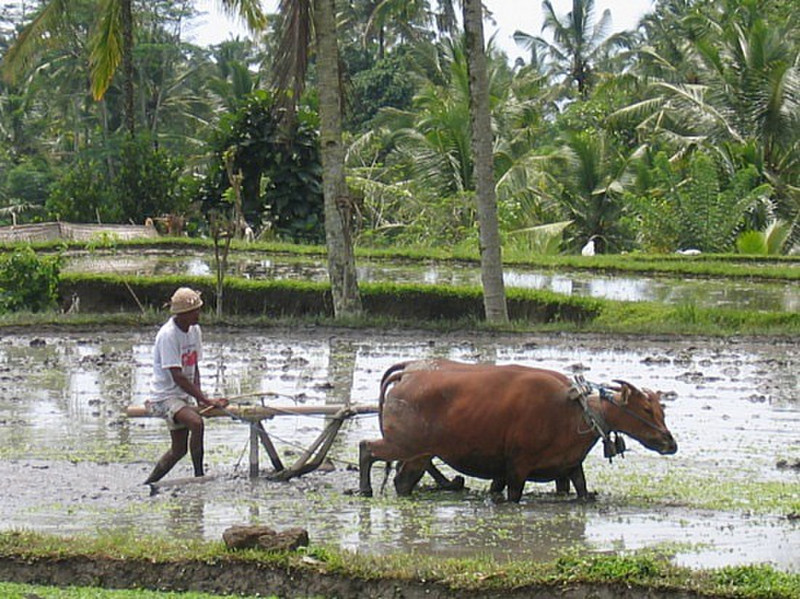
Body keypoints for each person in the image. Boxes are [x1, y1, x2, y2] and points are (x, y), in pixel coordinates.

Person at [144, 287, 228, 484]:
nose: (199, 313)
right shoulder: (168, 335)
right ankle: (199, 476)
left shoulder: (194, 331)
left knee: (179, 450)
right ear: (183, 314)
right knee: (197, 423)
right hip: (164, 397)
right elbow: (178, 377)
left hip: (182, 397)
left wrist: (200, 400)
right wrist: (207, 400)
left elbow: (194, 366)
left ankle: (149, 484)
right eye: (195, 310)